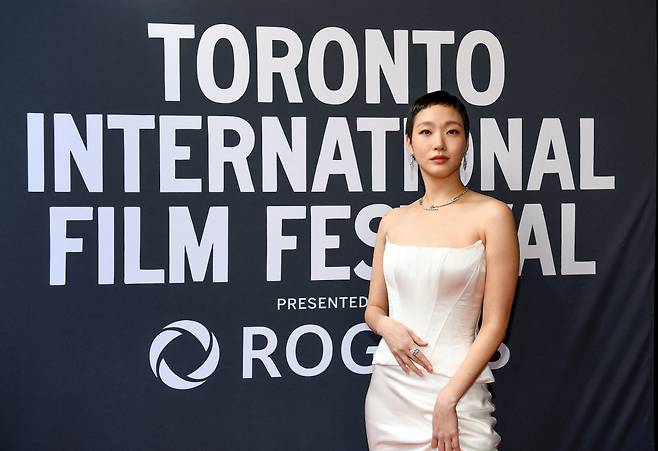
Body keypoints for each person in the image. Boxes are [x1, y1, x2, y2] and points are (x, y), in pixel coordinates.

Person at [364, 90, 519, 451]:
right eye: (426, 132)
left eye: (452, 132)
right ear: (409, 143)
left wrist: (448, 399)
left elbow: (495, 325)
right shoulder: (392, 221)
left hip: (457, 388)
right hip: (391, 390)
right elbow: (373, 308)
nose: (439, 143)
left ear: (466, 143)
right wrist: (388, 327)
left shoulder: (493, 215)